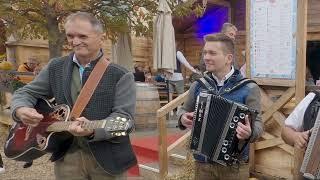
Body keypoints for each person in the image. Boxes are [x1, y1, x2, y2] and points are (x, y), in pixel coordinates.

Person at [10, 12, 137, 179]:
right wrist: (20, 109)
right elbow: (25, 92)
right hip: (66, 157)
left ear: (101, 37)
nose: (75, 42)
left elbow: (125, 121)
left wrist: (92, 130)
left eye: (82, 36)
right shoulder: (56, 67)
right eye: (70, 36)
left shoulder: (121, 75)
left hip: (108, 160)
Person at [177, 33, 263, 179]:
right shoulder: (198, 85)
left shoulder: (248, 88)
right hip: (202, 164)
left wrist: (250, 132)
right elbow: (183, 110)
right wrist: (182, 118)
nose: (206, 57)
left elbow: (259, 124)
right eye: (205, 52)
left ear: (228, 58)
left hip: (234, 167)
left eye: (212, 53)